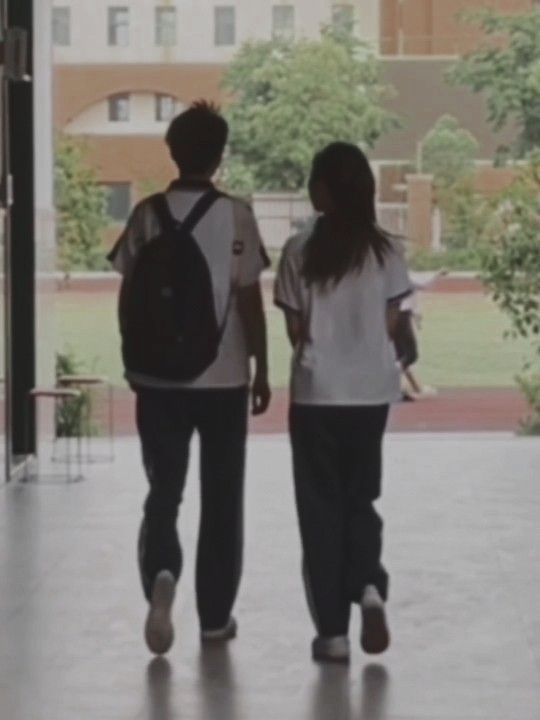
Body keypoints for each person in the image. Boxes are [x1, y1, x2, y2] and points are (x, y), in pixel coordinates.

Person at [109, 101, 271, 655]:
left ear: (172, 152)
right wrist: (261, 367)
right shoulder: (238, 216)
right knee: (223, 498)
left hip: (157, 381)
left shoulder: (145, 214)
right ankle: (215, 618)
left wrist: (135, 363)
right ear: (219, 156)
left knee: (164, 491)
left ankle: (161, 574)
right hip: (223, 380)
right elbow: (249, 299)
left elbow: (128, 296)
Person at [274, 143, 412, 664]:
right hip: (371, 392)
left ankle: (332, 633)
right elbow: (392, 323)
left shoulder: (298, 250)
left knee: (319, 511)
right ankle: (369, 584)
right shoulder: (387, 251)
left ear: (324, 191)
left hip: (317, 394)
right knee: (361, 498)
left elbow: (294, 328)